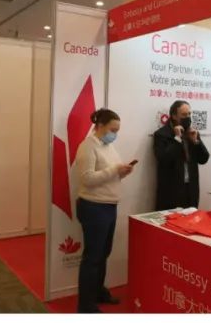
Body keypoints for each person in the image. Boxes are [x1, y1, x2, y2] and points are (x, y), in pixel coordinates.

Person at [73, 108, 135, 313]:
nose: (115, 134)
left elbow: (110, 174)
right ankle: (85, 306)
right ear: (99, 126)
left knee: (103, 254)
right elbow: (87, 179)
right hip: (93, 207)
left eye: (117, 130)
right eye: (112, 130)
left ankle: (98, 292)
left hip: (108, 206)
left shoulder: (108, 146)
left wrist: (122, 172)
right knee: (92, 257)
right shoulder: (87, 146)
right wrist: (114, 170)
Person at [152, 100, 210, 211]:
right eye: (184, 115)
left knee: (191, 219)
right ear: (174, 116)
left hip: (191, 188)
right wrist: (177, 138)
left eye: (189, 114)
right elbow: (163, 159)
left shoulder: (192, 132)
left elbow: (204, 159)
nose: (187, 118)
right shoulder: (162, 134)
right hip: (171, 190)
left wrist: (196, 142)